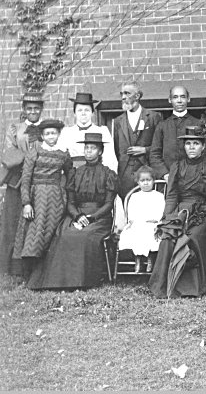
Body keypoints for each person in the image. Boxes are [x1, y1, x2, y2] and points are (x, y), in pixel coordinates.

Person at [27, 133, 118, 290]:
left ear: (100, 151)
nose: (88, 151)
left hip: (100, 217)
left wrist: (92, 217)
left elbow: (109, 204)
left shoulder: (108, 174)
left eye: (93, 148)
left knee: (85, 235)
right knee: (64, 234)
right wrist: (78, 216)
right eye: (86, 148)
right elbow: (71, 202)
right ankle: (57, 281)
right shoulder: (76, 173)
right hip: (76, 214)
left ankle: (82, 280)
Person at [148, 126, 206, 298]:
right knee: (168, 237)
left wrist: (200, 214)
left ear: (203, 146)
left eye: (196, 143)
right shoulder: (177, 166)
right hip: (181, 209)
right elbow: (172, 195)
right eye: (188, 143)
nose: (192, 147)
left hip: (204, 211)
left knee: (192, 236)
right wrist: (167, 217)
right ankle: (163, 285)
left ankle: (192, 287)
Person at [12, 119, 72, 263]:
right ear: (42, 136)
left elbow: (70, 175)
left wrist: (64, 193)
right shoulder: (34, 152)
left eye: (54, 133)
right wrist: (26, 203)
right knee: (35, 232)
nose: (51, 136)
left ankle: (48, 269)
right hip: (36, 198)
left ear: (58, 134)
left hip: (55, 199)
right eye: (47, 134)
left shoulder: (64, 154)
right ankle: (30, 268)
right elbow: (26, 179)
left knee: (51, 231)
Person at [0, 93, 45, 276]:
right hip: (17, 181)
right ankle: (12, 267)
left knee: (35, 222)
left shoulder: (47, 128)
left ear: (41, 109)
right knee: (13, 222)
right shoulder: (15, 129)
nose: (33, 112)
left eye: (36, 108)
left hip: (39, 180)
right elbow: (9, 153)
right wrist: (30, 158)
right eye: (29, 108)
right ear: (24, 110)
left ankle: (34, 265)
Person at [112, 81, 163, 198]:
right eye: (121, 94)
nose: (123, 97)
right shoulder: (118, 121)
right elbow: (116, 150)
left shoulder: (153, 117)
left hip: (148, 174)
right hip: (125, 176)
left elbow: (161, 146)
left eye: (127, 93)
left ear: (137, 96)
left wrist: (145, 150)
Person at [149, 86, 206, 181]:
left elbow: (205, 152)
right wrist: (165, 174)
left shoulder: (198, 124)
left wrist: (194, 173)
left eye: (183, 97)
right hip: (168, 179)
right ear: (170, 100)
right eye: (175, 97)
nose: (179, 101)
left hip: (193, 179)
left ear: (188, 99)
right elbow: (154, 154)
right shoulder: (162, 126)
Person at [117, 165, 165, 273]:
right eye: (142, 181)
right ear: (138, 182)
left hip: (152, 223)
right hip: (138, 222)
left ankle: (150, 259)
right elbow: (131, 212)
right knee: (135, 232)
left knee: (150, 233)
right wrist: (132, 221)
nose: (146, 183)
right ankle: (137, 259)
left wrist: (156, 220)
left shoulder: (158, 196)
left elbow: (161, 210)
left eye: (148, 180)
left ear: (153, 181)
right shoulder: (135, 196)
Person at [59, 92, 117, 171]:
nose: (83, 113)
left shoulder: (102, 131)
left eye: (87, 110)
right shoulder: (66, 132)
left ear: (92, 113)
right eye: (79, 110)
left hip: (96, 171)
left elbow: (109, 157)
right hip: (72, 172)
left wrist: (106, 174)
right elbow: (61, 157)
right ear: (74, 113)